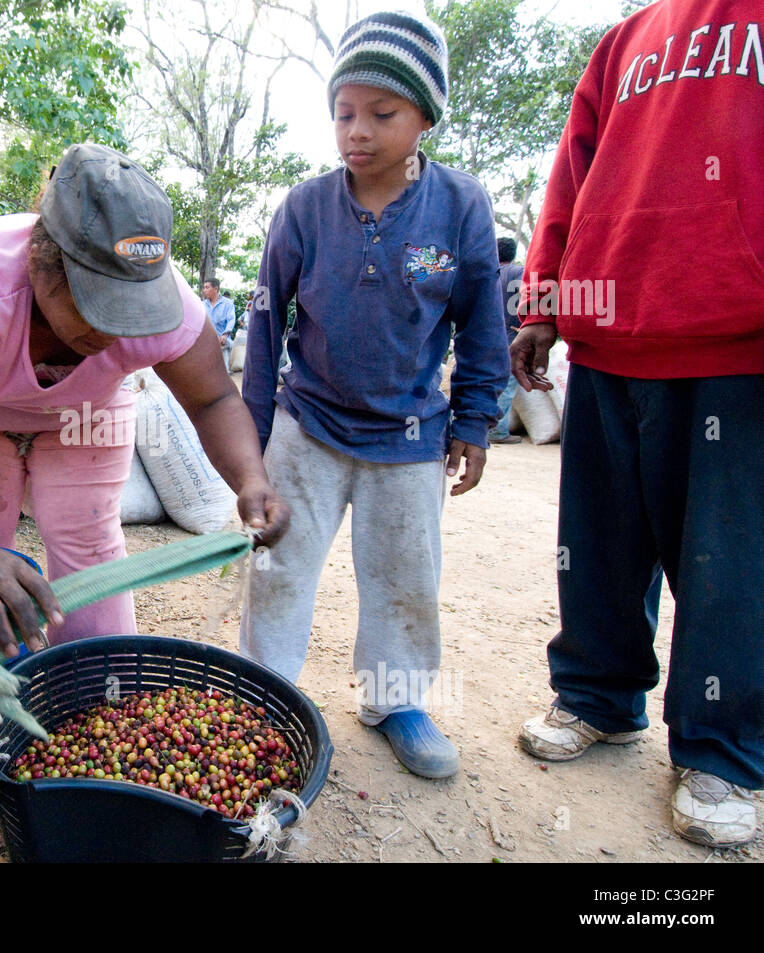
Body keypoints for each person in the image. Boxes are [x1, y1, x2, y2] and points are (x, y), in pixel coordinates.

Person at [0, 142, 290, 657]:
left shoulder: (169, 301)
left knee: (89, 550)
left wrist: (250, 478)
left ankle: (89, 695)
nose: (113, 331)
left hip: (88, 419)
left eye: (130, 311)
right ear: (42, 261)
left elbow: (213, 400)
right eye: (97, 306)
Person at [514, 0, 764, 847]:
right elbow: (572, 174)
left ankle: (723, 748)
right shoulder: (627, 39)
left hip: (739, 331)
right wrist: (545, 295)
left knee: (730, 560)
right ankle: (596, 694)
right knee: (599, 542)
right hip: (611, 327)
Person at [240, 11, 508, 780]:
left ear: (425, 115)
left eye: (381, 113)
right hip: (308, 424)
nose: (356, 130)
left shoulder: (459, 207)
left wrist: (478, 418)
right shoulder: (303, 208)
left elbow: (483, 320)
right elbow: (263, 327)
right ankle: (265, 689)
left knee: (403, 575)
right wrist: (255, 446)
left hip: (410, 438)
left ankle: (396, 701)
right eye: (343, 112)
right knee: (278, 565)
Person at [487, 236, 524, 445]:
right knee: (507, 385)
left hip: (486, 338)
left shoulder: (487, 272)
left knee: (485, 382)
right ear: (512, 254)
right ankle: (498, 431)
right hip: (510, 336)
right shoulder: (518, 273)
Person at [201, 277, 236, 369]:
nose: (204, 290)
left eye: (207, 287)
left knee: (223, 372)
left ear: (216, 289)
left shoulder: (227, 304)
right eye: (204, 287)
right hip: (206, 343)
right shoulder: (202, 305)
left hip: (222, 342)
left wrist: (225, 334)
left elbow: (231, 320)